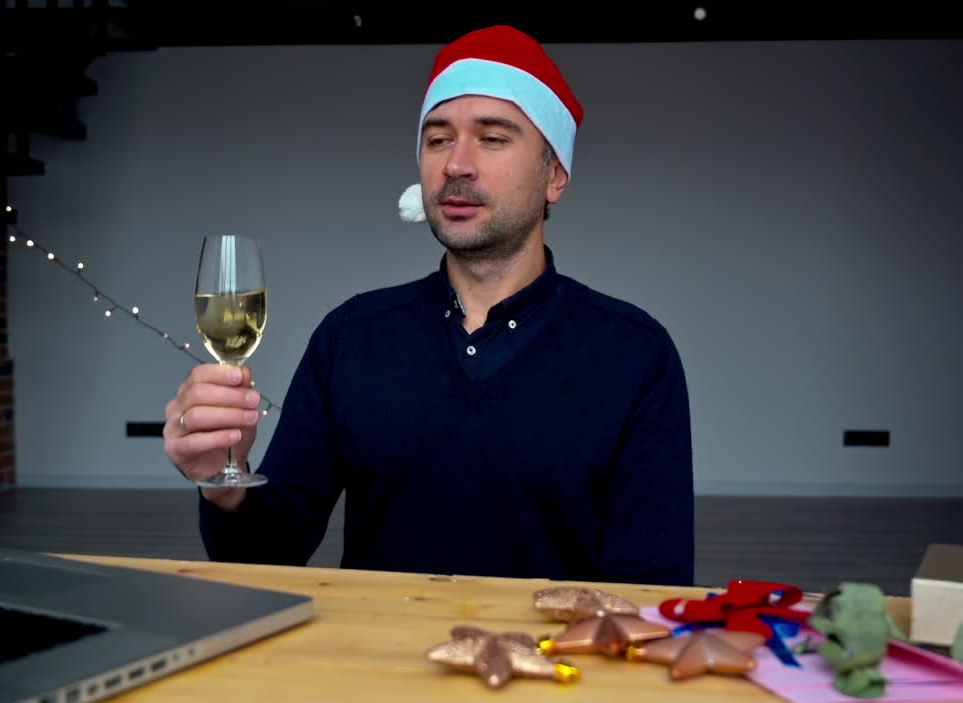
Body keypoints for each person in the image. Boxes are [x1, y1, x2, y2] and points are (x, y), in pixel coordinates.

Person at [164, 25, 696, 585]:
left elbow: (650, 589)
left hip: (554, 668)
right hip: (376, 670)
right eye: (438, 139)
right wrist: (222, 482)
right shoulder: (353, 336)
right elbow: (268, 558)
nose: (456, 165)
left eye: (493, 139)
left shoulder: (635, 354)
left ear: (555, 176)